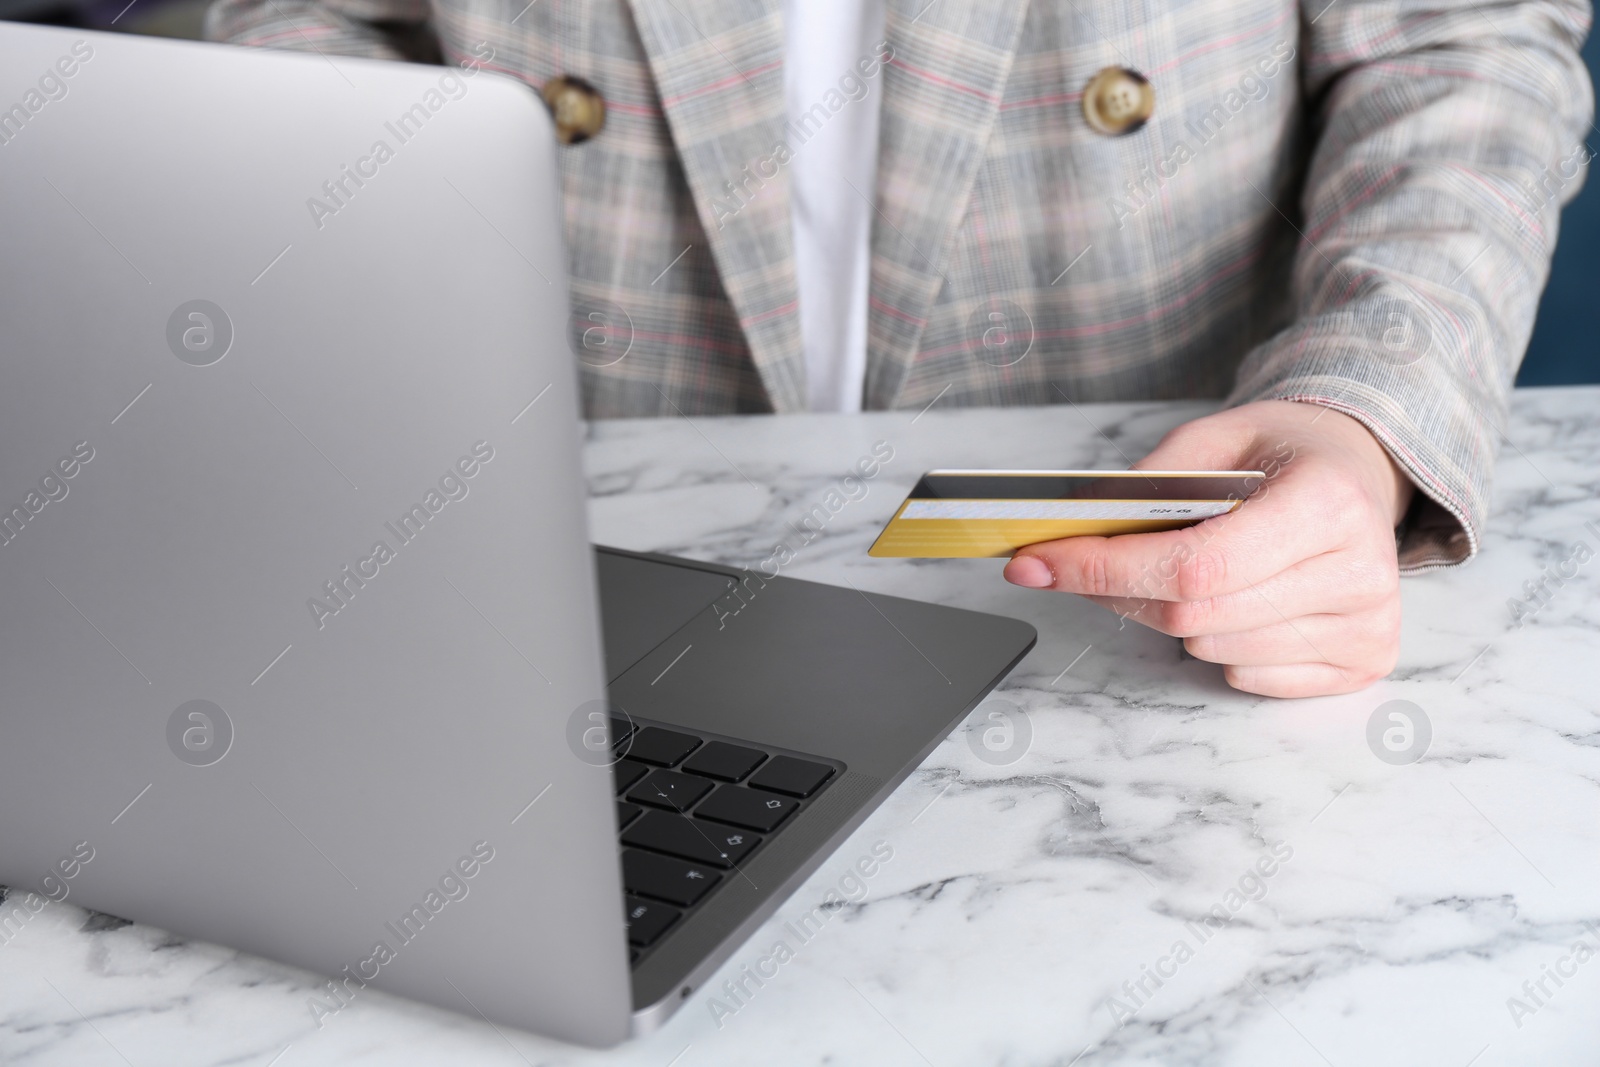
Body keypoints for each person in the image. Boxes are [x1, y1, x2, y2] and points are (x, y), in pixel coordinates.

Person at [206, 0, 1593, 697]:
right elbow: (320, 24)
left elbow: (1458, 43)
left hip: (1134, 562)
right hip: (563, 556)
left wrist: (1360, 408)